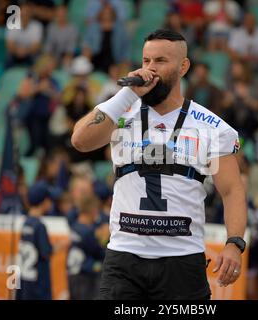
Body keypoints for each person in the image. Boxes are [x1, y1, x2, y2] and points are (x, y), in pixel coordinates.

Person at [71, 29, 247, 299]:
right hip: (124, 258)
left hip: (182, 259)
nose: (150, 69)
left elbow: (232, 191)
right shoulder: (121, 112)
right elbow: (80, 141)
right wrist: (128, 94)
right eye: (146, 61)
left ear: (183, 67)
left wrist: (234, 243)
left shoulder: (212, 127)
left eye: (161, 61)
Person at [16, 180, 68, 300]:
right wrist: (60, 246)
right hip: (38, 286)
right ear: (44, 202)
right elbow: (46, 252)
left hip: (26, 283)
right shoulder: (39, 226)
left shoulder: (26, 222)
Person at [67, 196, 106, 300]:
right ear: (93, 210)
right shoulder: (87, 232)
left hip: (73, 274)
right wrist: (105, 239)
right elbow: (100, 253)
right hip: (84, 276)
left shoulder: (75, 226)